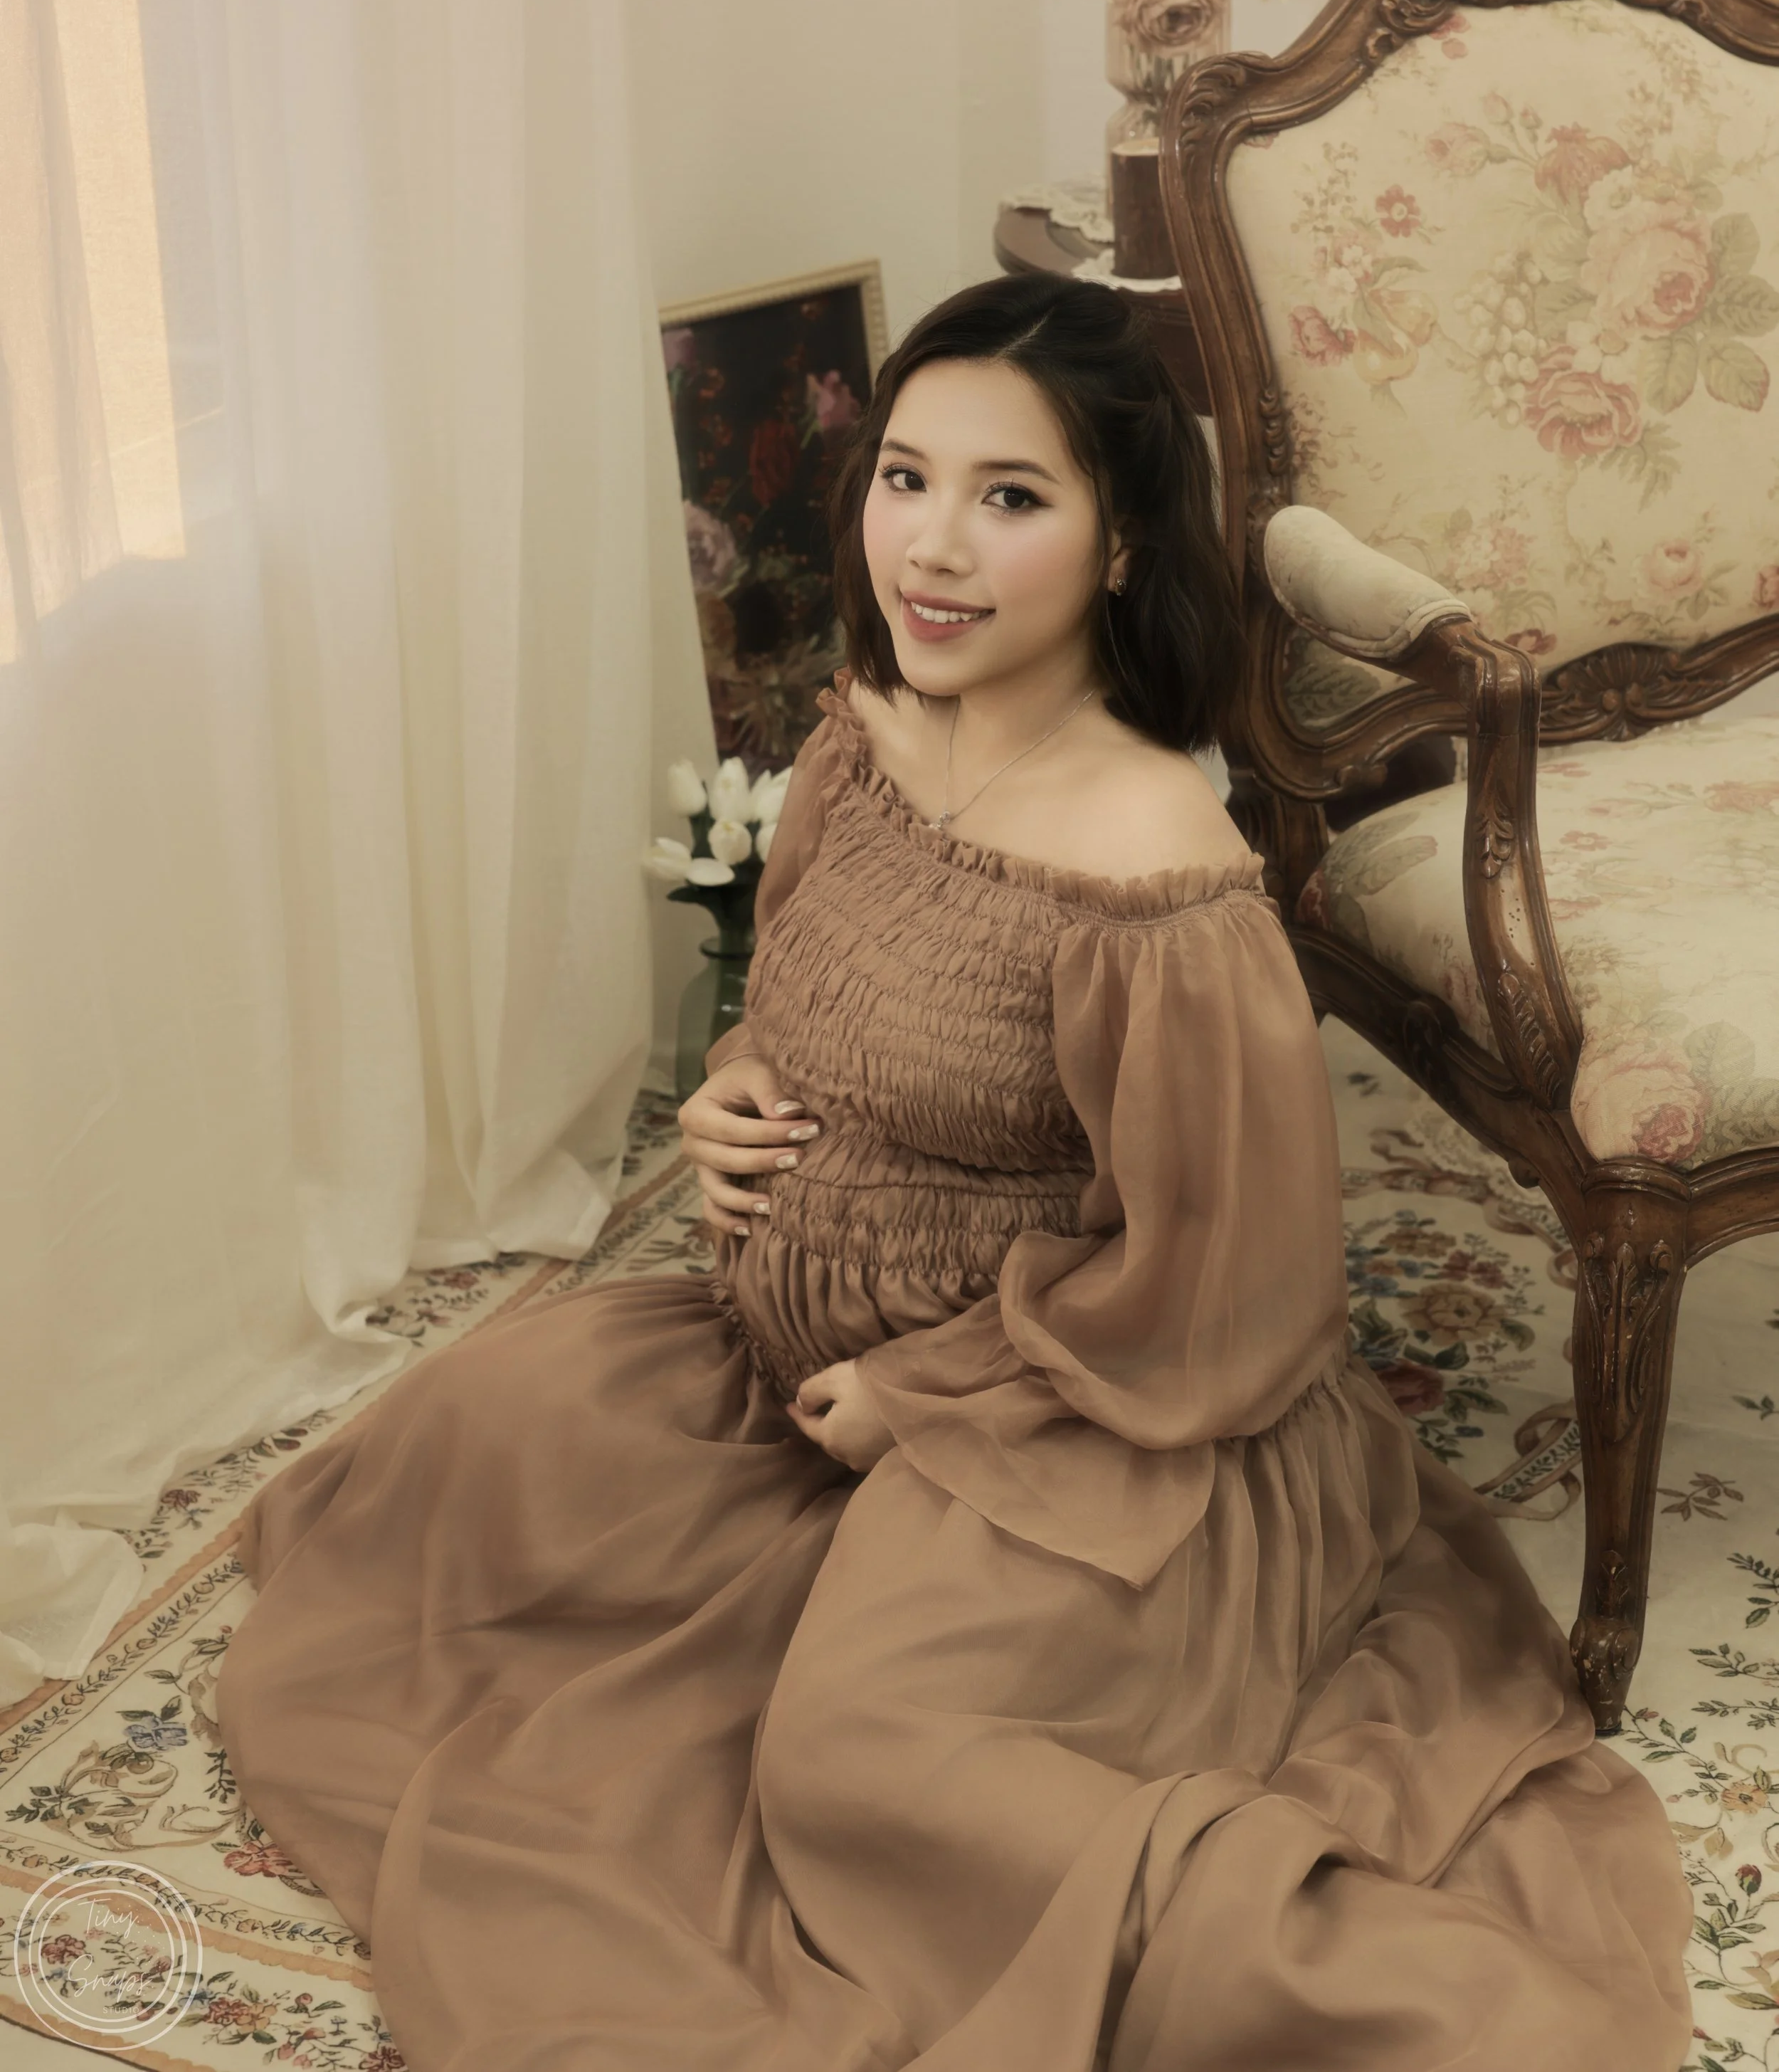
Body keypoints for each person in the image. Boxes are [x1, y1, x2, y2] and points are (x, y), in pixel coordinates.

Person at [216, 273, 1694, 2070]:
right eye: (905, 476)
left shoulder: (1156, 872)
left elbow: (1234, 1292)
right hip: (802, 1368)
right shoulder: (872, 725)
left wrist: (924, 1399)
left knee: (862, 1765)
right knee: (467, 1456)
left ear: (1124, 544)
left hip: (1090, 1416)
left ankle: (1421, 2015)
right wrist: (737, 1094)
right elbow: (817, 996)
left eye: (1011, 498)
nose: (931, 545)